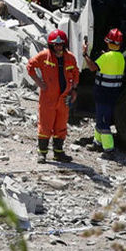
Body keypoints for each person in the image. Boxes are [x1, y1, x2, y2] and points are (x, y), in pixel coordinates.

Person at [27, 29, 80, 163]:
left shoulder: (70, 58)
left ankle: (58, 153)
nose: (58, 47)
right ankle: (42, 153)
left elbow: (75, 73)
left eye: (60, 44)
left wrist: (74, 90)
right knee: (45, 125)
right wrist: (39, 83)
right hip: (48, 98)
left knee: (61, 126)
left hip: (64, 98)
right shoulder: (44, 56)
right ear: (51, 45)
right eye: (55, 45)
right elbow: (30, 66)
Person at [82, 28, 126, 158]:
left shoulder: (106, 57)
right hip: (113, 94)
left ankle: (109, 150)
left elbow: (92, 67)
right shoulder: (121, 57)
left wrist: (85, 54)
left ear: (108, 42)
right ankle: (97, 142)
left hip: (103, 93)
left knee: (103, 121)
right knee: (100, 117)